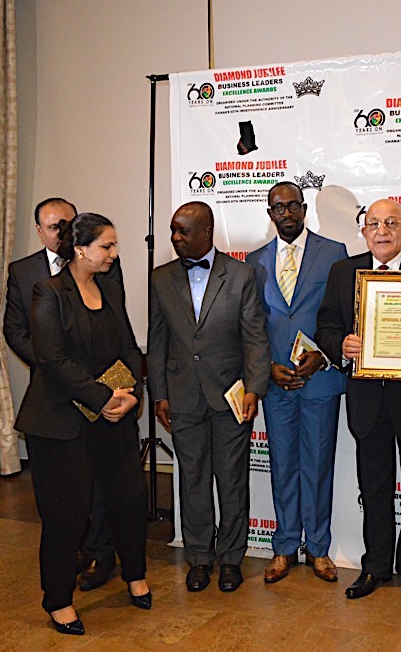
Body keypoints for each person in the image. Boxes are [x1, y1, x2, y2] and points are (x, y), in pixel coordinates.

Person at [13, 213, 150, 636]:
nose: (113, 254)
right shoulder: (48, 292)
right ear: (79, 249)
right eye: (106, 246)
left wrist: (131, 394)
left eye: (114, 245)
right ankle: (58, 600)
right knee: (67, 514)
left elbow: (129, 348)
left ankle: (135, 575)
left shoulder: (110, 289)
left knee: (129, 499)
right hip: (60, 423)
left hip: (113, 418)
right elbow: (52, 360)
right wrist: (102, 398)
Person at [315, 198, 401, 605]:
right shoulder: (344, 272)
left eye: (391, 223)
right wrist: (342, 344)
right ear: (364, 231)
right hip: (368, 401)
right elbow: (326, 326)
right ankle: (375, 566)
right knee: (373, 489)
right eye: (373, 224)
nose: (382, 231)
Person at [148, 201, 270, 593]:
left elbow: (255, 337)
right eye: (173, 230)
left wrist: (254, 388)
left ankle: (231, 558)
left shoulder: (241, 274)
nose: (175, 238)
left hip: (231, 397)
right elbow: (157, 340)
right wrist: (159, 393)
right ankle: (199, 557)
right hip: (182, 396)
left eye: (183, 231)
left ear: (206, 232)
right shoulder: (161, 278)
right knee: (193, 480)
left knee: (232, 480)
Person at [4, 197, 122, 592]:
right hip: (54, 399)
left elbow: (115, 330)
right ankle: (64, 568)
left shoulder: (107, 267)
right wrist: (53, 366)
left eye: (69, 224)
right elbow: (16, 331)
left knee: (102, 488)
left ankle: (101, 554)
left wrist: (101, 387)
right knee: (61, 503)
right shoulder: (26, 274)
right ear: (40, 231)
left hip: (97, 396)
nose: (62, 232)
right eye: (55, 226)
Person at [246, 182, 348, 583]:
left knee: (318, 467)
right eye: (278, 207)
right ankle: (285, 546)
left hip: (319, 379)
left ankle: (318, 549)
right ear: (269, 213)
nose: (286, 213)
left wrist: (323, 355)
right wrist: (266, 367)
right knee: (283, 466)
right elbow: (252, 324)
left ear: (304, 209)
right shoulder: (254, 261)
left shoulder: (333, 253)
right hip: (276, 383)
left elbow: (343, 314)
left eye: (293, 206)